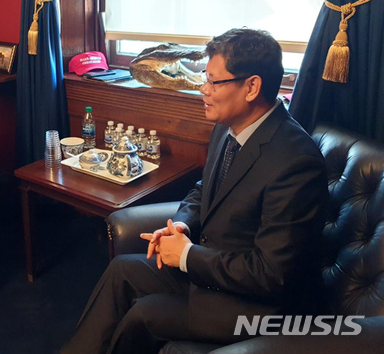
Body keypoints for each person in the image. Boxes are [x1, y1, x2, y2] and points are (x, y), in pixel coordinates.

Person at [61, 28, 329, 354]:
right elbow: (205, 190)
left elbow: (271, 274)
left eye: (214, 82)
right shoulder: (225, 128)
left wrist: (187, 255)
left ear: (252, 87)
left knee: (145, 314)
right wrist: (183, 224)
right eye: (205, 78)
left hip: (262, 306)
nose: (203, 89)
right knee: (121, 271)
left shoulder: (295, 161)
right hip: (212, 272)